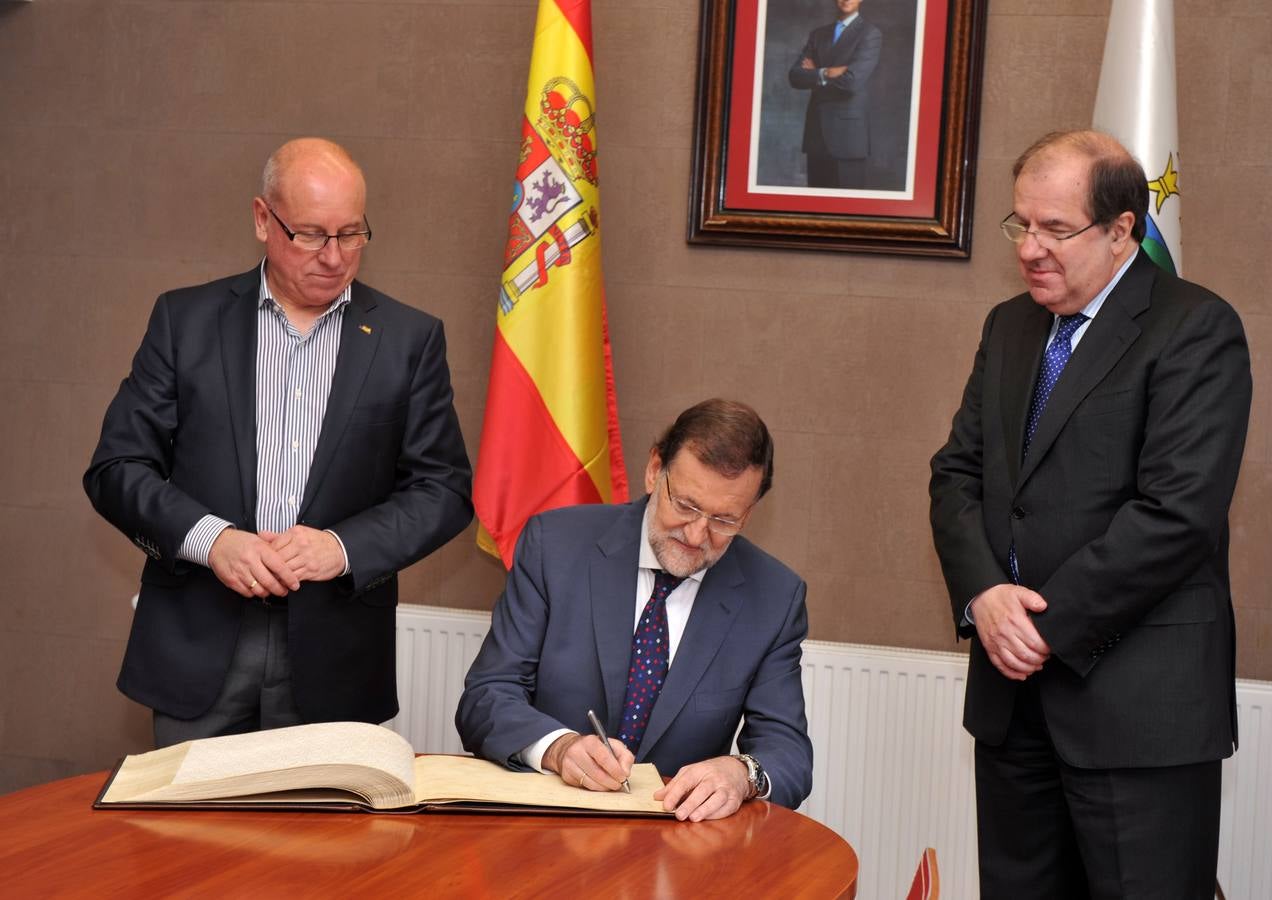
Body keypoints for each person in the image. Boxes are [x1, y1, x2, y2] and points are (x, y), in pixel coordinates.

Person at [929, 130, 1251, 898]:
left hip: (1138, 710)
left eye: (1056, 229)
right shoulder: (1009, 327)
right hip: (1014, 711)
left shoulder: (1195, 328)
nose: (1031, 249)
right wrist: (984, 597)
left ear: (1120, 232)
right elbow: (956, 475)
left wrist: (1041, 623)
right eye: (1021, 225)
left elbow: (1177, 513)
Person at [85, 138, 474, 748]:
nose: (335, 256)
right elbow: (117, 468)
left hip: (335, 649)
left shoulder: (408, 339)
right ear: (263, 219)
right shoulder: (185, 321)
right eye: (312, 234)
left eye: (352, 234)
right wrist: (212, 541)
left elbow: (444, 490)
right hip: (200, 642)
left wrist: (340, 547)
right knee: (186, 842)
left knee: (318, 843)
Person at [456, 399, 812, 821]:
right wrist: (558, 748)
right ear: (654, 470)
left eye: (724, 520)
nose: (697, 535)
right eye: (686, 505)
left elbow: (788, 753)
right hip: (545, 823)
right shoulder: (556, 545)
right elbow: (486, 697)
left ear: (749, 513)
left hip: (676, 842)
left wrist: (741, 772)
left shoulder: (773, 596)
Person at [787, 0, 883, 189]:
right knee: (816, 208)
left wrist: (815, 73)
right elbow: (795, 76)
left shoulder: (870, 34)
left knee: (847, 210)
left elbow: (851, 83)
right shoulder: (818, 34)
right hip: (817, 134)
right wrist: (827, 72)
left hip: (848, 137)